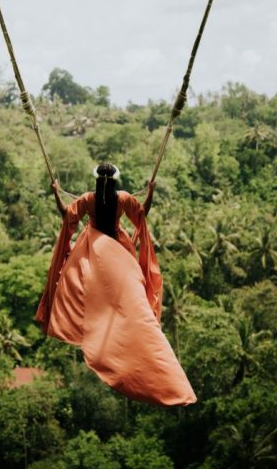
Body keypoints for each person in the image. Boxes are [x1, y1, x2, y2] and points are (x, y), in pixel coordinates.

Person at [35, 163, 196, 406]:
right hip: (118, 249)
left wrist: (56, 191)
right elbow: (142, 214)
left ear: (98, 180)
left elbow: (67, 216)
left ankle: (88, 323)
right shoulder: (122, 199)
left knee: (77, 283)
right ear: (115, 180)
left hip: (94, 248)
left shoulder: (88, 199)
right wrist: (150, 191)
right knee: (131, 299)